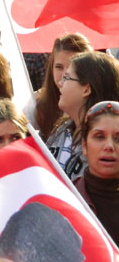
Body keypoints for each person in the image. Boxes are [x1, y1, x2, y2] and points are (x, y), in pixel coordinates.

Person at [46, 51, 119, 180]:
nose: (60, 83)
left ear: (86, 89)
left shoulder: (107, 145)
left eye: (67, 78)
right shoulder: (62, 130)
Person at [75, 101, 119, 244]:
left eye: (118, 138)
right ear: (84, 146)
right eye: (99, 137)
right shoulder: (67, 198)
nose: (109, 146)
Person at [35, 33, 93, 141]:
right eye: (59, 67)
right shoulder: (37, 106)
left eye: (72, 68)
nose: (64, 75)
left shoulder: (101, 112)